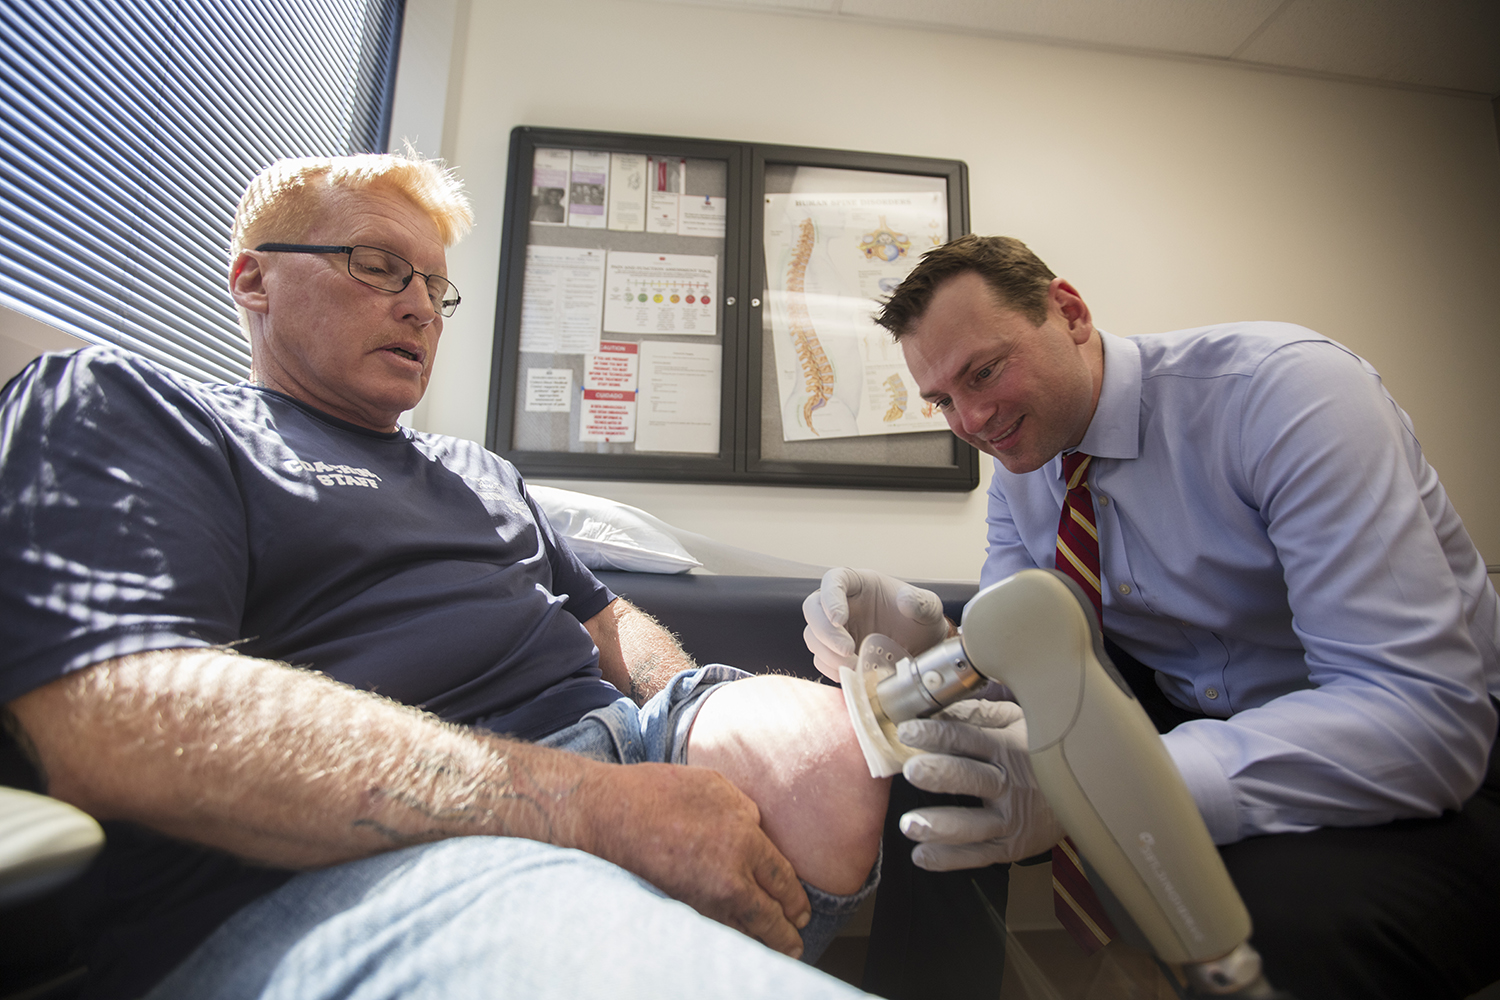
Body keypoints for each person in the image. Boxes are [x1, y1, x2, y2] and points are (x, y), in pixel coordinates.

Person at [0, 152, 889, 1000]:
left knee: (826, 760)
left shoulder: (480, 470)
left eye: (434, 286)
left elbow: (607, 617)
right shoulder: (139, 410)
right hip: (365, 841)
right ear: (254, 279)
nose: (421, 307)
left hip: (611, 752)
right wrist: (593, 809)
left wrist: (687, 697)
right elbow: (121, 722)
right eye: (380, 266)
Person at [805, 234, 1500, 999]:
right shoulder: (1023, 474)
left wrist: (1108, 785)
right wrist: (925, 644)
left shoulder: (1287, 394)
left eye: (984, 371)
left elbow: (1422, 719)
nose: (970, 418)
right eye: (942, 400)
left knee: (1265, 911)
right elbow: (1016, 665)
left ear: (1067, 312)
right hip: (1191, 709)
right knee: (936, 757)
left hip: (1446, 758)